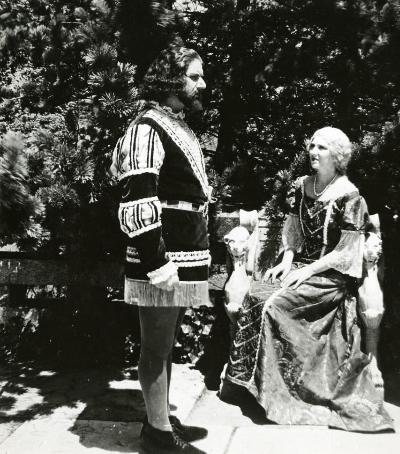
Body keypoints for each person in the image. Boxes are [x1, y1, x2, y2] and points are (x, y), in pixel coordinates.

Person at [222, 127, 393, 432]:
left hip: (332, 277)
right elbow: (293, 229)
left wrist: (307, 270)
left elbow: (346, 252)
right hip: (300, 266)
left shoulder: (350, 196)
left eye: (322, 148)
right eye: (312, 145)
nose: (313, 151)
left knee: (274, 304)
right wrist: (287, 260)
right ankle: (248, 384)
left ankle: (282, 391)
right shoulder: (303, 186)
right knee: (258, 294)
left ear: (338, 156)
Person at [111, 44, 211, 454]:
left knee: (165, 343)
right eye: (194, 75)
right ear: (171, 78)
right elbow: (138, 196)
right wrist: (156, 260)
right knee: (155, 344)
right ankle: (156, 436)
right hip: (162, 255)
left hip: (182, 250)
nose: (202, 83)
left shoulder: (173, 125)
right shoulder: (146, 127)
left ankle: (160, 422)